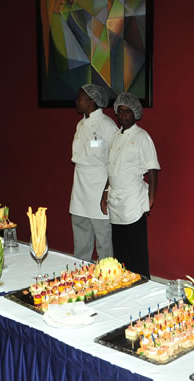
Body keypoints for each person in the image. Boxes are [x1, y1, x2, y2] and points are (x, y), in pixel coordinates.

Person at [100, 92, 159, 278]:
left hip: (133, 201)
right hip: (116, 200)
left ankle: (142, 283)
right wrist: (105, 194)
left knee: (137, 250)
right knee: (120, 250)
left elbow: (153, 169)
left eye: (127, 111)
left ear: (135, 113)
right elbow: (112, 169)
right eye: (120, 111)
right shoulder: (116, 137)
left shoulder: (142, 137)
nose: (123, 115)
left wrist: (151, 197)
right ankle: (124, 282)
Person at [70, 84, 118, 261]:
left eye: (80, 98)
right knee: (81, 239)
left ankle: (106, 277)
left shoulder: (106, 124)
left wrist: (107, 191)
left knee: (104, 240)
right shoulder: (81, 125)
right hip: (80, 189)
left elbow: (116, 157)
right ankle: (80, 273)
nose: (77, 101)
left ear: (92, 101)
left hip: (99, 186)